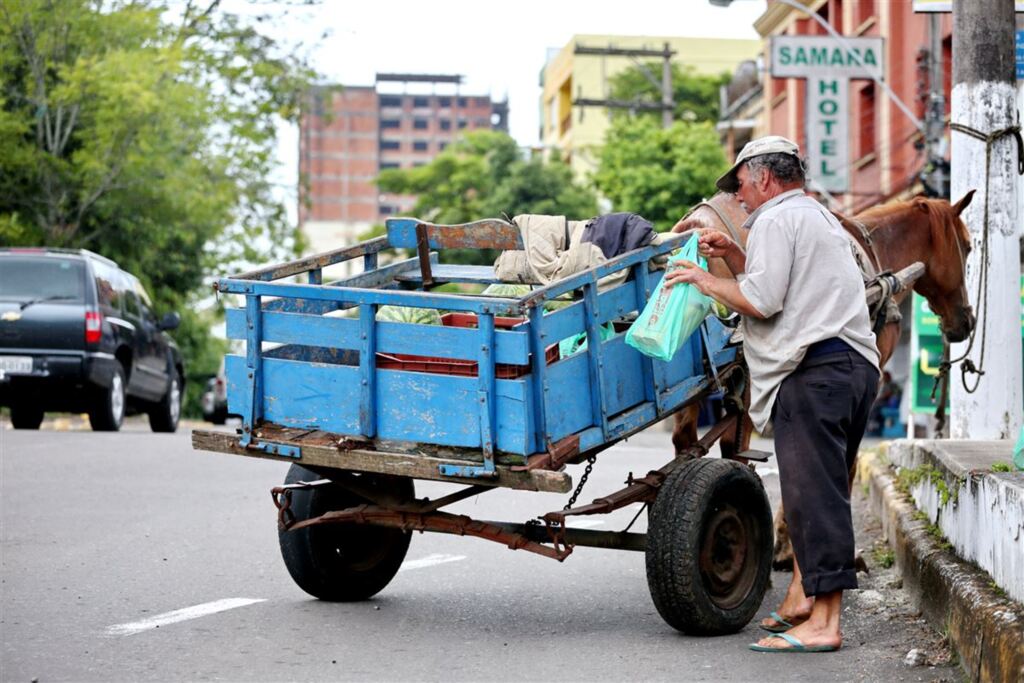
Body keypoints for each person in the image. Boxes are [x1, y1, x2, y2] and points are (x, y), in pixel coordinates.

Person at [664, 135, 880, 653]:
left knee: (813, 497)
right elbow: (778, 283)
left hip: (815, 371)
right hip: (851, 367)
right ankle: (809, 605)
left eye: (740, 184)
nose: (738, 197)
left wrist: (701, 279)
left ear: (763, 177)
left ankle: (825, 623)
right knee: (823, 491)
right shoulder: (816, 216)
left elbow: (761, 300)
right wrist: (734, 254)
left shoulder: (776, 219)